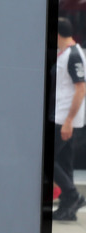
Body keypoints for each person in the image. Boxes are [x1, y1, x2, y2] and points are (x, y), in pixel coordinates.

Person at [52, 17, 86, 221]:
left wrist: (68, 121)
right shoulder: (67, 53)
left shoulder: (73, 55)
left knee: (47, 162)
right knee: (64, 162)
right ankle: (68, 207)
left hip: (64, 119)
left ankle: (73, 195)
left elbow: (80, 89)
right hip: (63, 117)